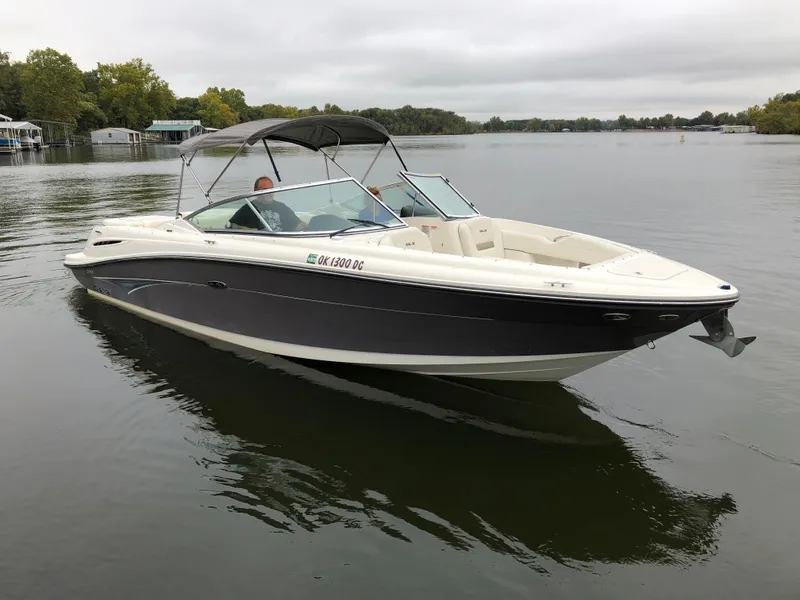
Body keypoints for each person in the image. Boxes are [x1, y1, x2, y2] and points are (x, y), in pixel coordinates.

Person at [228, 176, 306, 232]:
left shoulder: (281, 207)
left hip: (282, 241)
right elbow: (229, 226)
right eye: (265, 190)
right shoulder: (249, 208)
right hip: (261, 243)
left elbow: (297, 225)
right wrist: (250, 230)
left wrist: (313, 225)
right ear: (256, 191)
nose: (269, 193)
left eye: (271, 189)